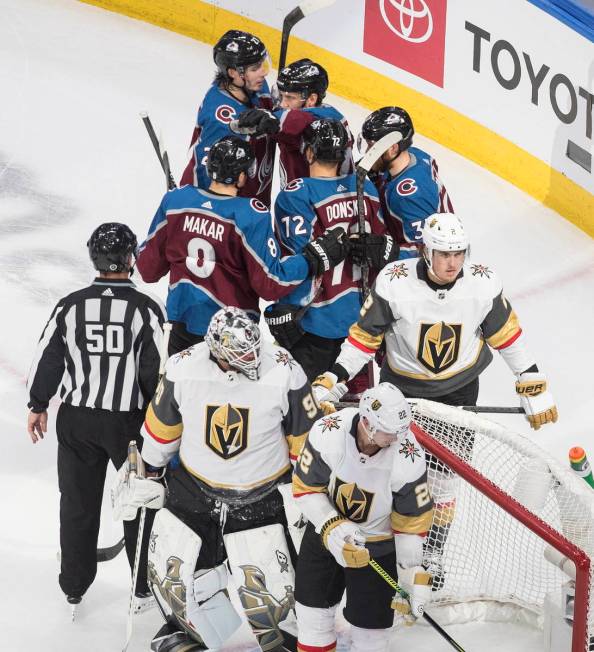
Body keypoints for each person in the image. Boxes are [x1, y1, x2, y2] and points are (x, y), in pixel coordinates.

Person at [311, 212, 558, 587]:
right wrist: (336, 377)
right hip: (401, 394)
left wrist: (532, 380)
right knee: (393, 472)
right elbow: (364, 338)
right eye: (444, 254)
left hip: (459, 392)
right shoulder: (394, 284)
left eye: (459, 253)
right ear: (425, 251)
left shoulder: (481, 284)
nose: (452, 263)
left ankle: (434, 552)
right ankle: (395, 542)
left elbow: (507, 335)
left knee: (442, 485)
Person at [113, 306, 323, 652]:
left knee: (271, 587)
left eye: (254, 353)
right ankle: (192, 633)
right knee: (182, 578)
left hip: (264, 496)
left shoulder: (285, 370)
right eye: (241, 357)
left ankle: (282, 637)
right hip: (195, 490)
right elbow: (162, 431)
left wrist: (308, 488)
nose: (252, 363)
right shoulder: (183, 368)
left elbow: (305, 440)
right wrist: (149, 469)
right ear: (216, 349)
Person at [26, 223, 166, 614]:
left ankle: (74, 584)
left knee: (77, 503)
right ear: (131, 259)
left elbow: (48, 358)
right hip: (129, 425)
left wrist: (38, 405)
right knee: (139, 502)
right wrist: (163, 422)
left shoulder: (70, 304)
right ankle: (142, 587)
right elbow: (157, 371)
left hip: (77, 421)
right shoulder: (147, 307)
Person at [137, 135, 349, 355]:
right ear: (241, 176)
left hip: (180, 326)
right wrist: (311, 258)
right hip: (233, 337)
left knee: (183, 389)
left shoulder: (176, 202)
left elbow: (148, 270)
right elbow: (270, 282)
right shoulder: (250, 214)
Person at [292, 382, 435, 652]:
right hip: (325, 535)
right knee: (312, 619)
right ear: (367, 422)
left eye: (400, 431)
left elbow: (410, 525)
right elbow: (305, 489)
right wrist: (333, 527)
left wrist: (411, 574)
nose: (396, 439)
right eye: (388, 432)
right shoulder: (327, 432)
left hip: (377, 546)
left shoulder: (409, 458)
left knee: (372, 638)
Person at [264, 118, 396, 387]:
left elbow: (299, 258)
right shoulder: (365, 189)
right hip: (359, 324)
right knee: (354, 413)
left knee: (303, 409)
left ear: (309, 152)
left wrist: (284, 305)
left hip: (312, 322)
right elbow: (383, 246)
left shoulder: (296, 194)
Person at [180, 29, 276, 206]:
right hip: (223, 206)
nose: (264, 72)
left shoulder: (255, 85)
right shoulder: (219, 117)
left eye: (263, 64)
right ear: (233, 73)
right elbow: (210, 171)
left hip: (253, 195)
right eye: (255, 68)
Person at [233, 58, 354, 187]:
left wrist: (271, 119)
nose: (283, 104)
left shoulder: (321, 124)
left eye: (290, 97)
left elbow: (297, 120)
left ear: (312, 99)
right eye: (282, 96)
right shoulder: (328, 112)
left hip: (315, 201)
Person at [358, 106, 454, 259]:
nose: (368, 151)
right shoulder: (416, 155)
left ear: (392, 148)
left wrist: (385, 252)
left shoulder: (409, 198)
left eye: (372, 146)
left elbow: (425, 253)